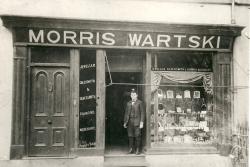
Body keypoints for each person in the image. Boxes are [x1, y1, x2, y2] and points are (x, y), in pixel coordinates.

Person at [123, 89, 145, 155]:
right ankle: (131, 149)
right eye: (132, 95)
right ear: (130, 96)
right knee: (130, 136)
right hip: (130, 122)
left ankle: (138, 149)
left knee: (137, 136)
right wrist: (125, 122)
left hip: (137, 122)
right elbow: (126, 113)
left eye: (134, 95)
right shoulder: (128, 103)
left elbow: (142, 113)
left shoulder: (140, 103)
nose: (133, 96)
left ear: (137, 95)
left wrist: (141, 122)